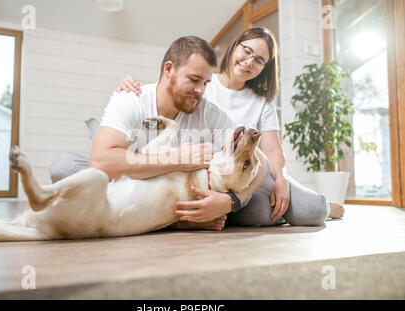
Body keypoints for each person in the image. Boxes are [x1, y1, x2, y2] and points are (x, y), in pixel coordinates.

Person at [116, 27, 344, 230]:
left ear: (264, 68)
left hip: (253, 171)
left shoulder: (262, 101)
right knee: (260, 212)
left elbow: (271, 152)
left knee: (309, 211)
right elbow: (164, 94)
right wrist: (129, 85)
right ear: (235, 46)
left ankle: (327, 206)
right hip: (214, 178)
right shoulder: (203, 82)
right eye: (247, 51)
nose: (249, 61)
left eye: (259, 60)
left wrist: (281, 179)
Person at [49, 35, 271, 231]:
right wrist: (176, 160)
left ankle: (183, 217)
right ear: (168, 69)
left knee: (257, 207)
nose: (201, 91)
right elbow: (100, 164)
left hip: (170, 194)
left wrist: (230, 202)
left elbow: (263, 164)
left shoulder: (210, 113)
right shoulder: (132, 98)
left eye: (205, 83)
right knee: (64, 166)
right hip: (130, 188)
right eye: (194, 80)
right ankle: (179, 221)